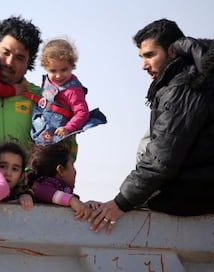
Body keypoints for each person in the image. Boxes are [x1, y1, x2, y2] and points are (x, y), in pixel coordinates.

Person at [89, 18, 214, 235]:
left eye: (150, 55)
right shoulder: (189, 80)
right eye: (141, 57)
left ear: (172, 51)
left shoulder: (183, 87)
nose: (144, 65)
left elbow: (161, 159)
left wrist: (121, 203)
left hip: (194, 193)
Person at [0, 15, 43, 154]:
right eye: (5, 52)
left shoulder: (40, 98)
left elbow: (63, 146)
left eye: (19, 58)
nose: (9, 62)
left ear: (29, 63)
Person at [28, 38, 89, 146]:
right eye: (53, 71)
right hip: (39, 132)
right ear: (45, 68)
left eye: (64, 70)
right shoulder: (48, 82)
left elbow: (82, 112)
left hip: (58, 139)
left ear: (72, 66)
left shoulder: (73, 90)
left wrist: (68, 128)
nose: (58, 75)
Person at [27, 143, 100, 220]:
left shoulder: (64, 192)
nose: (75, 171)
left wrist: (86, 206)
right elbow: (41, 192)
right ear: (61, 170)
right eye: (72, 165)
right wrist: (71, 200)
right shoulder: (48, 184)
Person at [0, 141, 34, 211]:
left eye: (15, 169)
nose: (8, 173)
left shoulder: (19, 193)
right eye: (2, 166)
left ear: (21, 176)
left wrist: (27, 196)